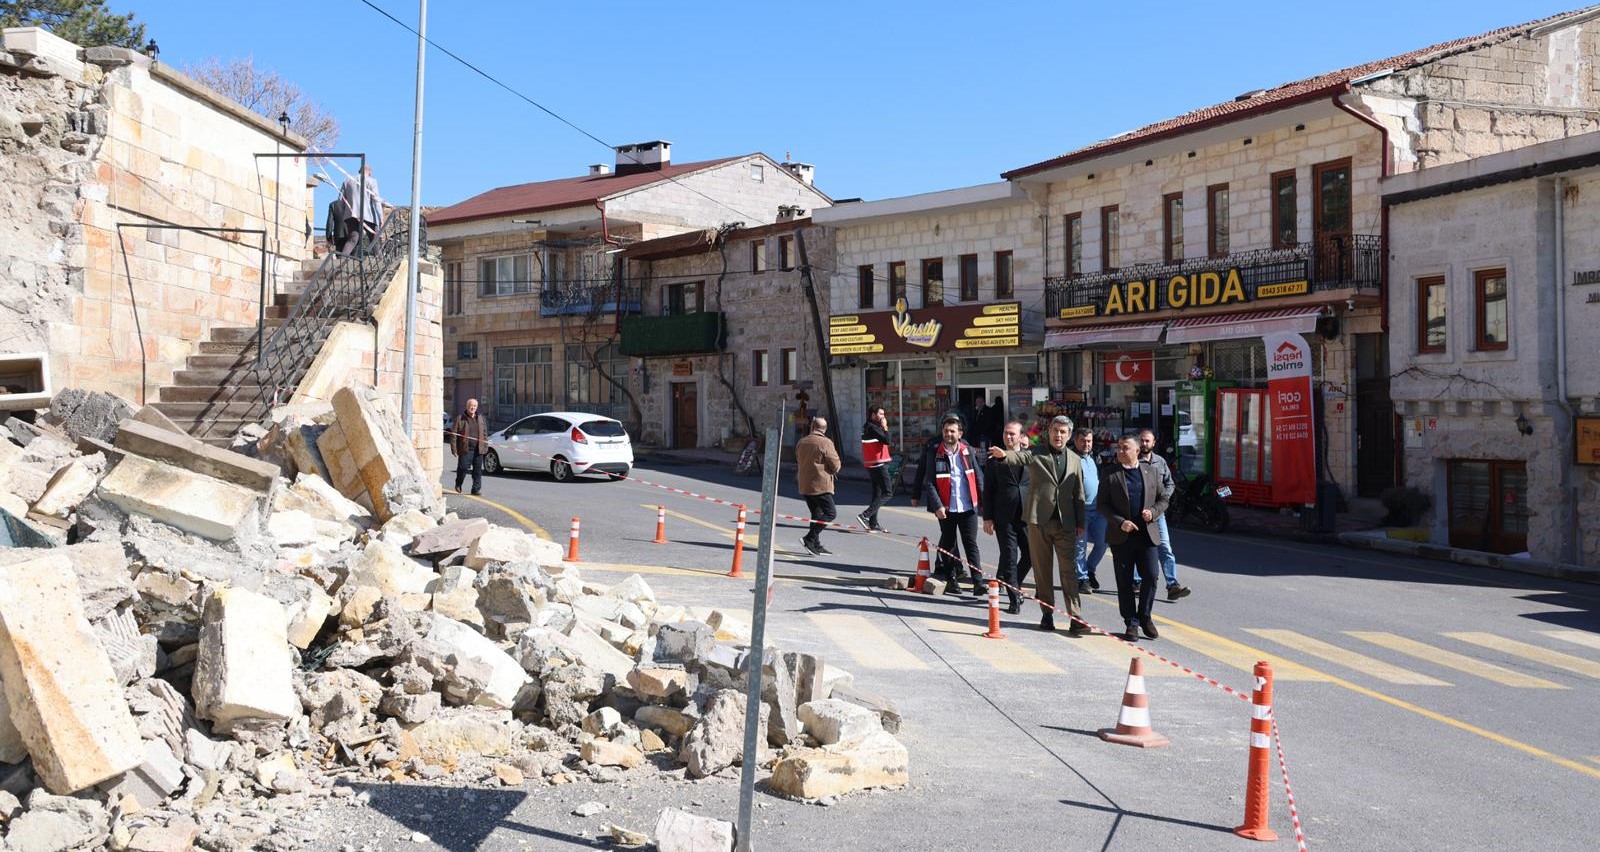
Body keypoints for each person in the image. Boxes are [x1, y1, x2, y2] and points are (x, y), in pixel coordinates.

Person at [988, 415, 1087, 635]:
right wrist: (1004, 455)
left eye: (1062, 432)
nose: (1058, 435)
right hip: (1039, 522)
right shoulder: (1036, 452)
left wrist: (1081, 523)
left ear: (1069, 435)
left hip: (1065, 523)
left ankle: (1075, 616)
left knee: (1069, 571)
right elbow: (1019, 457)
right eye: (1055, 431)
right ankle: (1047, 614)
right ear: (1048, 432)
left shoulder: (1074, 459)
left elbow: (1078, 494)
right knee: (1043, 571)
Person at [1100, 434, 1170, 641]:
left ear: (1137, 451)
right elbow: (1102, 504)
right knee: (1125, 580)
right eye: (1119, 448)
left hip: (1146, 535)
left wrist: (1154, 512)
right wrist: (1120, 521)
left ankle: (1145, 616)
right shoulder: (1110, 473)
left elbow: (1163, 498)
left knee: (1150, 576)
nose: (1120, 451)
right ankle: (1131, 622)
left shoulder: (1151, 472)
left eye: (1125, 448)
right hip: (1121, 535)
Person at [923, 414, 985, 597]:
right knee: (948, 546)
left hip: (967, 507)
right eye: (946, 431)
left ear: (960, 433)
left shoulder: (968, 451)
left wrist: (983, 503)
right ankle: (951, 580)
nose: (948, 434)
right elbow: (930, 482)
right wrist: (938, 506)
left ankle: (978, 582)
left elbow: (978, 477)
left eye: (952, 431)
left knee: (971, 544)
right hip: (946, 509)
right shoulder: (935, 452)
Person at [982, 420, 1033, 613]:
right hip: (1004, 517)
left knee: (1031, 555)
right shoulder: (994, 461)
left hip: (1027, 516)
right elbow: (988, 491)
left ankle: (1015, 584)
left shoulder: (1030, 458)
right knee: (1009, 557)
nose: (1008, 437)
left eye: (1012, 434)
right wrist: (987, 517)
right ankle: (1014, 600)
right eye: (1006, 433)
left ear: (1021, 437)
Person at [1138, 429, 1192, 601]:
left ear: (1154, 443)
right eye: (1142, 440)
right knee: (1137, 548)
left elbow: (1170, 484)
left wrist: (1163, 500)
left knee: (1165, 548)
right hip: (1137, 513)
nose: (1144, 444)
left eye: (1148, 441)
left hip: (1157, 513)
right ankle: (1136, 581)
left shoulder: (1160, 462)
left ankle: (1172, 585)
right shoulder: (1133, 461)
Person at [796, 416, 841, 555]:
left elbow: (797, 458)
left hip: (805, 485)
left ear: (812, 427)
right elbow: (835, 464)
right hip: (820, 485)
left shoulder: (802, 441)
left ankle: (815, 544)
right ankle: (809, 538)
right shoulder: (825, 442)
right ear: (825, 429)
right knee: (830, 513)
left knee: (816, 514)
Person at [1073, 426, 1109, 595]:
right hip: (1081, 510)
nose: (1086, 444)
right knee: (1080, 546)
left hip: (1099, 509)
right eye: (1083, 441)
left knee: (1103, 543)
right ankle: (1081, 578)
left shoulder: (1096, 457)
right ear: (1076, 441)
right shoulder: (1071, 458)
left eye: (1089, 441)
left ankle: (1089, 569)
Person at [857, 406, 893, 533]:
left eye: (884, 413)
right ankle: (865, 515)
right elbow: (887, 440)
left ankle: (873, 523)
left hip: (872, 464)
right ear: (873, 415)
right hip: (878, 464)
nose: (883, 416)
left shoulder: (869, 426)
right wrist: (885, 427)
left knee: (877, 493)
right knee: (888, 493)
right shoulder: (872, 427)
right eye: (881, 414)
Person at [338, 165, 384, 255]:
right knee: (374, 238)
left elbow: (341, 199)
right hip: (368, 215)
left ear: (359, 171)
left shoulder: (347, 180)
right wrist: (380, 217)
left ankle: (342, 259)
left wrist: (345, 212)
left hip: (351, 214)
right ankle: (380, 261)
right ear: (369, 172)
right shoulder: (372, 181)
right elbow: (376, 200)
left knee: (352, 239)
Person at [451, 398, 489, 495]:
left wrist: (485, 446)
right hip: (465, 449)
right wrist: (454, 449)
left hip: (478, 449)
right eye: (471, 406)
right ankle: (458, 483)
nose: (473, 408)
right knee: (463, 468)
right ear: (467, 407)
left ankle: (475, 489)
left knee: (477, 471)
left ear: (477, 407)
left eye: (474, 406)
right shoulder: (460, 418)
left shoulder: (481, 418)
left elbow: (484, 433)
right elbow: (454, 434)